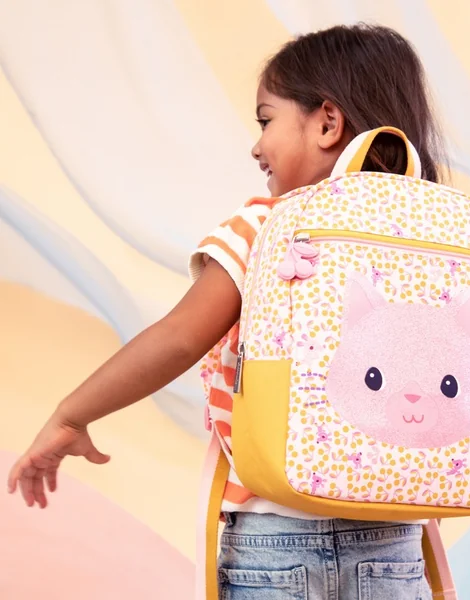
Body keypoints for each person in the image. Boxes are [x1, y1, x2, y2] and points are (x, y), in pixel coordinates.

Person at [8, 24, 447, 599]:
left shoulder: (268, 225)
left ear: (327, 123)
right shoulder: (434, 241)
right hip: (394, 545)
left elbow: (180, 337)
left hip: (276, 541)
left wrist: (71, 415)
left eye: (266, 120)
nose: (256, 146)